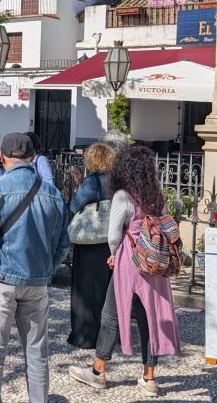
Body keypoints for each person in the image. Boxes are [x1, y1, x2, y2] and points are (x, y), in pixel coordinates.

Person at [0, 132, 69, 403]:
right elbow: (63, 243)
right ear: (32, 157)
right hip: (36, 282)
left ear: (2, 157)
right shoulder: (53, 194)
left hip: (0, 279)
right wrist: (47, 269)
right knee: (37, 354)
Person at [68, 145, 181, 398]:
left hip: (130, 261)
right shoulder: (156, 196)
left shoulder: (123, 196)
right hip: (154, 263)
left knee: (111, 314)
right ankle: (149, 378)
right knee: (150, 318)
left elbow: (114, 234)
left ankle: (98, 371)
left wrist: (114, 254)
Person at [66, 143, 116, 350]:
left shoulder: (92, 181)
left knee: (86, 289)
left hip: (89, 242)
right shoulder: (116, 181)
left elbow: (74, 205)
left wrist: (80, 186)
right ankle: (108, 336)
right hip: (110, 240)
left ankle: (86, 335)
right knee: (106, 290)